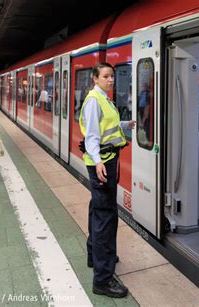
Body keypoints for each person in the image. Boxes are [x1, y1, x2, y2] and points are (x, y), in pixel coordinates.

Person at [79, 62, 135, 298]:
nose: (111, 80)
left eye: (112, 76)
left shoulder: (103, 99)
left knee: (98, 209)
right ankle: (102, 279)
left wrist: (124, 125)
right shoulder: (94, 100)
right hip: (102, 163)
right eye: (105, 76)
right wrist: (99, 162)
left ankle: (96, 254)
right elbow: (92, 136)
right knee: (106, 216)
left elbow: (105, 128)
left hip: (105, 160)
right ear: (95, 78)